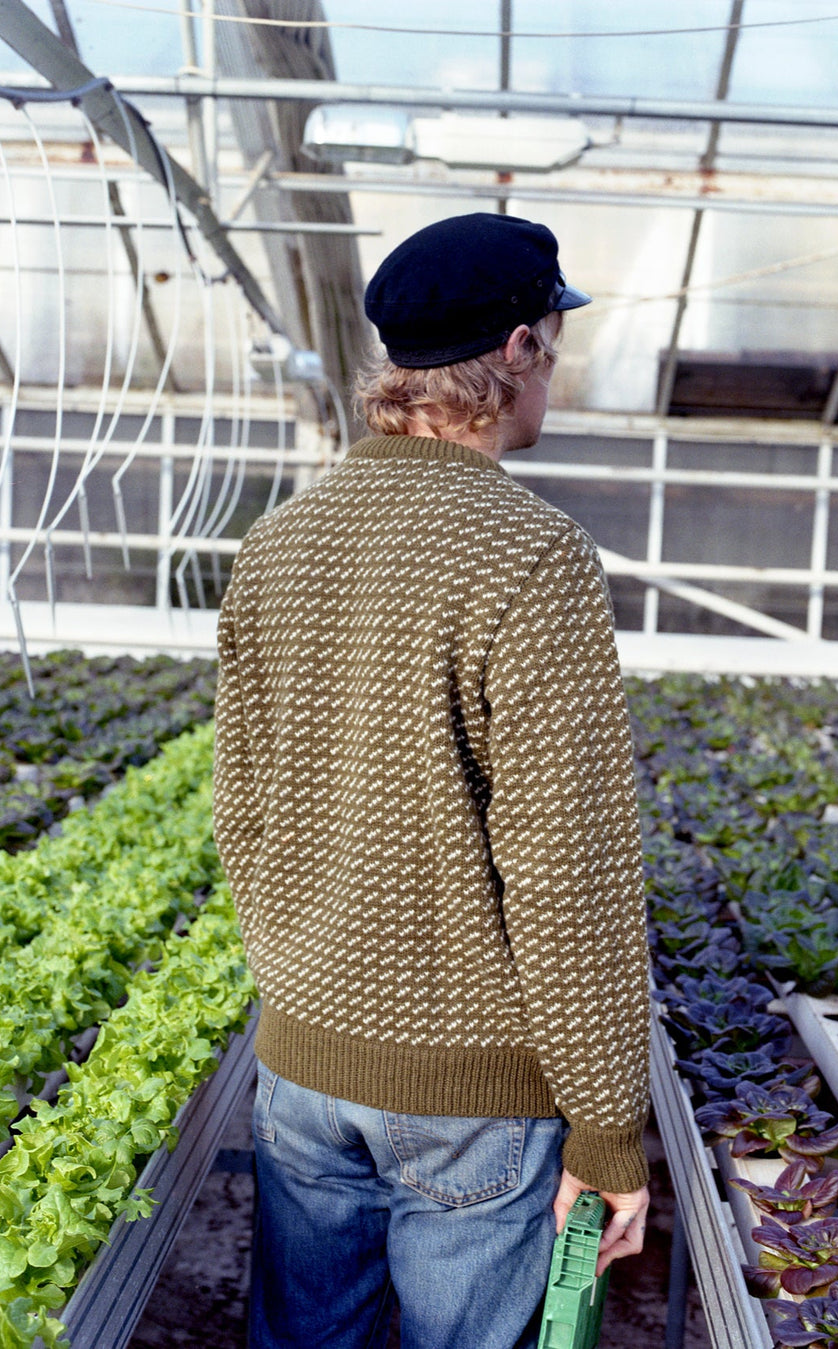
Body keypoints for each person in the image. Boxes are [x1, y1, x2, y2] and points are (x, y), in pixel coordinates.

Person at [213, 211, 651, 1349]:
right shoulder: (532, 553)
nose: (557, 370)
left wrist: (303, 984)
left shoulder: (277, 542)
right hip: (472, 1097)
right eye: (555, 341)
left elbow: (243, 816)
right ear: (516, 351)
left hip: (302, 1063)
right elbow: (572, 875)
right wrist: (608, 1131)